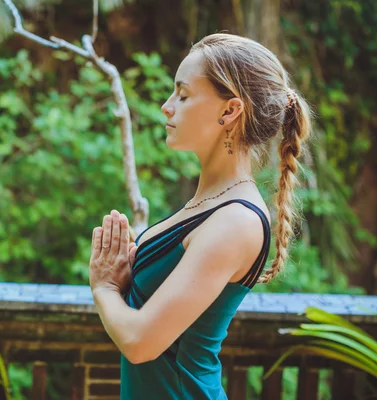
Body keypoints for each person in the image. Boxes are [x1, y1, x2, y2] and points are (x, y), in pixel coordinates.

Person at [88, 33, 312, 399]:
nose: (166, 106)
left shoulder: (235, 221)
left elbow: (140, 341)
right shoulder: (209, 203)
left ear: (230, 111)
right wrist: (127, 282)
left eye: (183, 95)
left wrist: (104, 287)